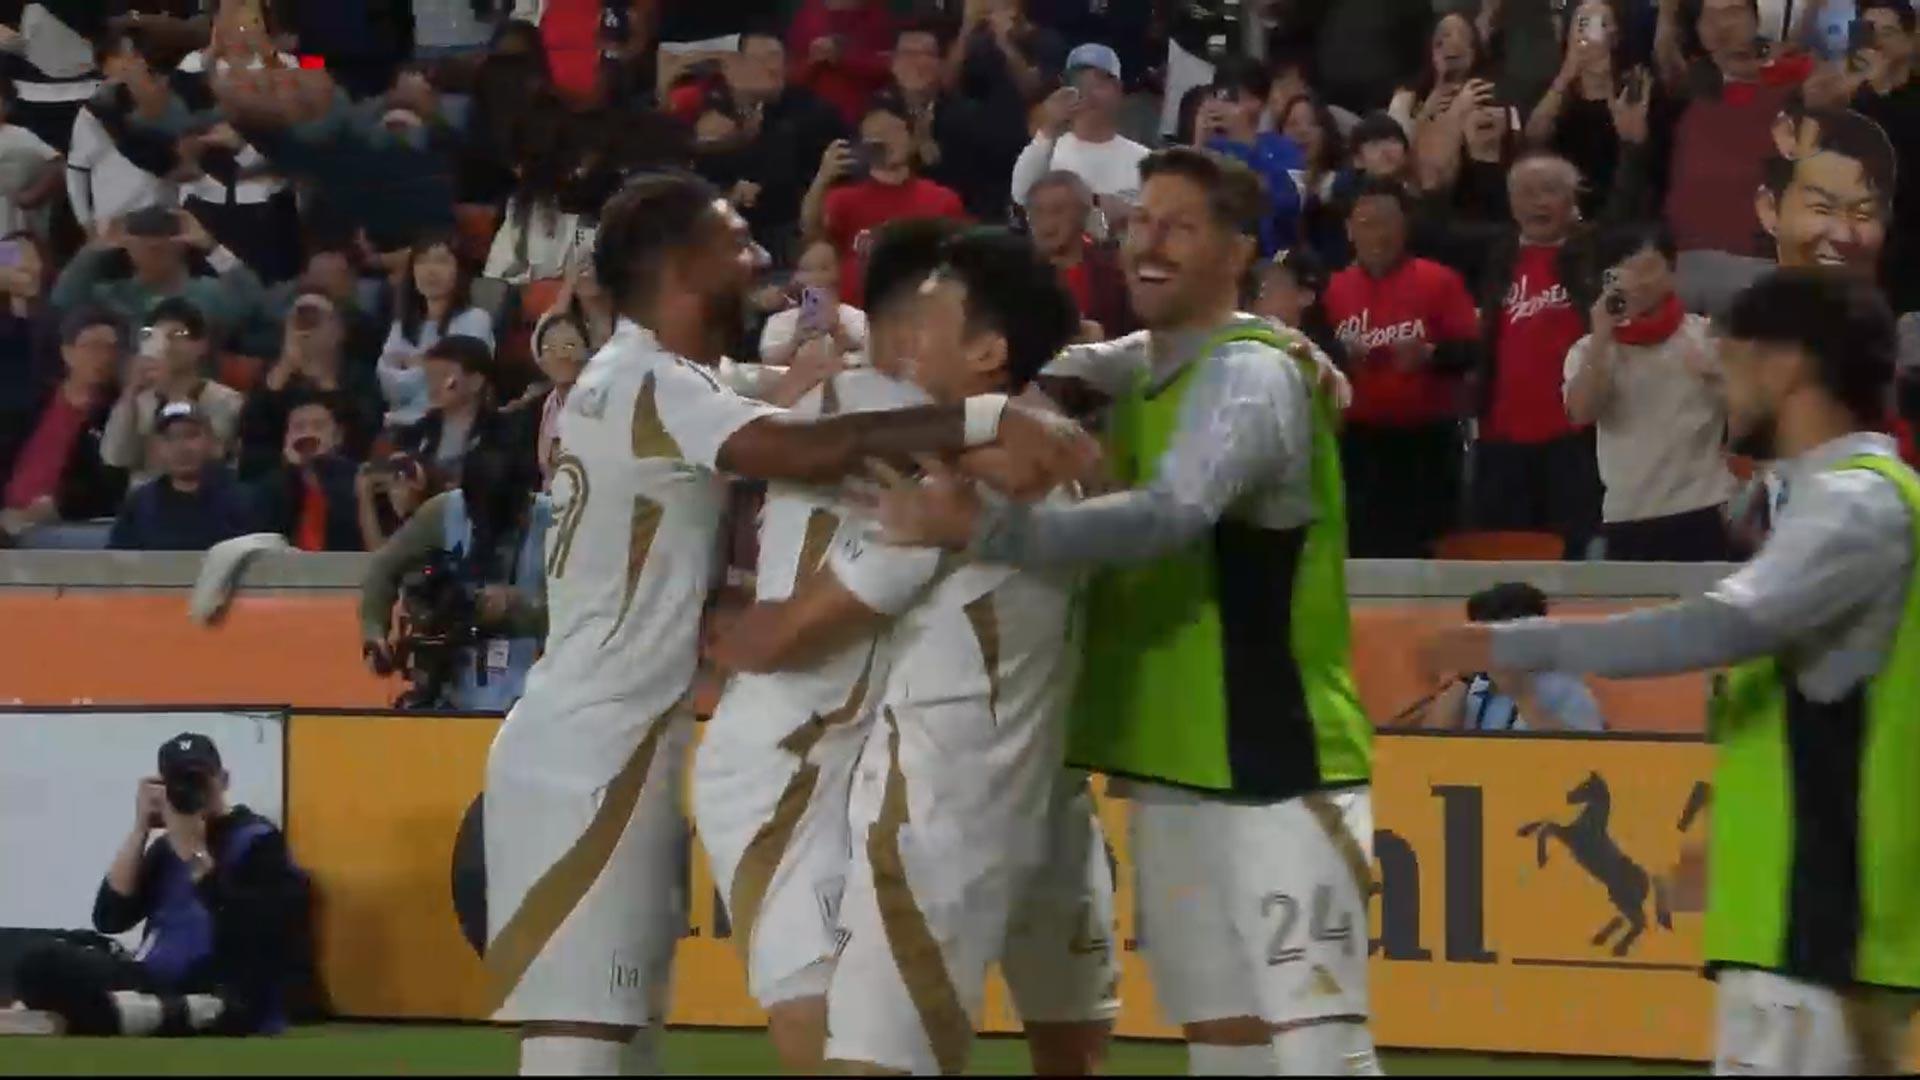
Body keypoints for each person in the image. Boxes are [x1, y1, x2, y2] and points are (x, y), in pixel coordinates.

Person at [478, 169, 1085, 1076]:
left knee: (627, 1043)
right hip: (594, 753)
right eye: (735, 240)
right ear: (682, 266)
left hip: (629, 738)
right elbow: (806, 442)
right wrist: (999, 415)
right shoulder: (653, 383)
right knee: (585, 1049)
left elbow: (800, 399)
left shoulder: (662, 379)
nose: (759, 254)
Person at [852, 147, 1379, 1076]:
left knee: (1320, 1055)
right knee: (1225, 1049)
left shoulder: (1251, 377)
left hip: (1279, 764)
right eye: (1140, 221)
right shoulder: (1145, 365)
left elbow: (1171, 514)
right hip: (1174, 767)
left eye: (1180, 226)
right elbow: (1043, 359)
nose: (1149, 243)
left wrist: (989, 529)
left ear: (1238, 251)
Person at [1421, 268, 1919, 1076]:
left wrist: (1518, 645)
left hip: (1816, 927)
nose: (1721, 388)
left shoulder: (1853, 504)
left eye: (1732, 364)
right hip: (1813, 924)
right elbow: (1809, 710)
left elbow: (1718, 626)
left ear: (1787, 365)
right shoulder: (1843, 501)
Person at [698, 221, 1118, 1077]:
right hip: (803, 767)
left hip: (957, 791)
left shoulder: (960, 461)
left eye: (935, 316)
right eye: (916, 316)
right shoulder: (907, 426)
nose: (902, 339)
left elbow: (779, 632)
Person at [11, 732, 308, 1037]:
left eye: (198, 780)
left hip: (219, 985)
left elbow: (260, 932)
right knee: (39, 962)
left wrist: (194, 855)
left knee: (223, 1004)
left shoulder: (258, 840)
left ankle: (120, 1013)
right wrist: (140, 828)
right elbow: (110, 918)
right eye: (179, 783)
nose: (191, 791)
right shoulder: (166, 847)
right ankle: (124, 1012)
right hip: (150, 977)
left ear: (223, 780)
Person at [1324, 178, 1481, 559]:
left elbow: (1474, 351)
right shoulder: (1333, 290)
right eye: (1367, 224)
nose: (1378, 235)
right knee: (1364, 546)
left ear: (1404, 227)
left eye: (1387, 223)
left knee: (1431, 546)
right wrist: (1341, 354)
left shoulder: (1439, 280)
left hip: (1427, 441)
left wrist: (1431, 354)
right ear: (1349, 230)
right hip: (1359, 442)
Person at [1564, 223, 1738, 561]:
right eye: (1623, 272)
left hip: (1703, 506)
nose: (1637, 282)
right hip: (1627, 514)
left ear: (1671, 273)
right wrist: (1601, 336)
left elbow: (1753, 415)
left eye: (1646, 269)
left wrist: (1715, 376)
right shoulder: (1588, 350)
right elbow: (1581, 412)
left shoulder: (1705, 336)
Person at [360, 442, 548, 712]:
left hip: (534, 687)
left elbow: (586, 606)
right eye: (480, 516)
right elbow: (383, 569)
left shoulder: (555, 521)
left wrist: (521, 606)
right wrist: (374, 633)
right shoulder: (443, 512)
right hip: (452, 680)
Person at [804, 96, 967, 304]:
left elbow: (960, 264)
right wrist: (822, 178)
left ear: (912, 139)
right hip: (855, 313)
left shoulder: (942, 200)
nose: (885, 141)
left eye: (893, 130)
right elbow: (811, 234)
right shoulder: (843, 199)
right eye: (875, 134)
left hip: (919, 309)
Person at [721, 28, 848, 266]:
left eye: (776, 58)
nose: (771, 67)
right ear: (732, 67)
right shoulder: (711, 113)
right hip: (727, 232)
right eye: (760, 60)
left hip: (792, 232)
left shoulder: (814, 113)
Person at [0, 309, 126, 545]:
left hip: (61, 522)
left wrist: (56, 505)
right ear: (67, 353)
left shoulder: (116, 413)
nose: (104, 357)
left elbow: (107, 485)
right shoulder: (31, 403)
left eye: (112, 348)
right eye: (92, 347)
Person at [50, 206, 266, 342]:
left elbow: (255, 305)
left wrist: (212, 247)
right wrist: (96, 249)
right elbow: (62, 302)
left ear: (182, 245)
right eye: (144, 245)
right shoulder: (111, 295)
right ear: (127, 248)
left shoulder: (208, 293)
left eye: (161, 246)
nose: (153, 250)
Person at [235, 288, 383, 481]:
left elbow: (363, 435)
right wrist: (283, 370)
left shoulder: (359, 376)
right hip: (281, 477)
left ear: (339, 330)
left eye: (315, 320)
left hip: (342, 476)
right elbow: (251, 438)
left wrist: (325, 380)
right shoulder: (273, 376)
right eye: (299, 320)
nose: (306, 329)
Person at [1423, 582, 1606, 732]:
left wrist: (1523, 696)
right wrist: (1461, 681)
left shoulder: (1565, 688)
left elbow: (1582, 754)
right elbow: (1432, 741)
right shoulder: (1477, 686)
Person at [887, 19, 1020, 223]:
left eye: (926, 54)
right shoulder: (878, 112)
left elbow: (982, 184)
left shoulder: (969, 118)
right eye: (907, 54)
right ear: (892, 64)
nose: (916, 62)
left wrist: (931, 153)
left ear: (942, 65)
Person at [101, 297, 242, 483]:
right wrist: (131, 390)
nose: (167, 345)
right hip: (145, 496)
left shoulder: (227, 401)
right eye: (158, 337)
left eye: (178, 334)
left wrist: (173, 391)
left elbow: (212, 456)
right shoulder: (138, 402)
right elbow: (115, 457)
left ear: (201, 345)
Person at [1526, 1, 1640, 219]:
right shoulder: (1553, 89)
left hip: (1618, 204)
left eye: (1600, 24)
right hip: (1562, 204)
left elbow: (1636, 150)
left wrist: (1606, 82)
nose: (1590, 34)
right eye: (1582, 24)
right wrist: (1567, 74)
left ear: (1615, 36)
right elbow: (1534, 136)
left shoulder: (1632, 85)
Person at [1011, 43, 1148, 222]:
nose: (1087, 94)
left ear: (1118, 90)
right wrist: (1049, 127)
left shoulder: (1143, 159)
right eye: (1078, 84)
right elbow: (1020, 195)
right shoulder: (1049, 149)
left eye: (1098, 83)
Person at [1192, 57, 1306, 257]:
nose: (1222, 104)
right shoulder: (1208, 148)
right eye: (1217, 95)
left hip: (1268, 259)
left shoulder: (1284, 148)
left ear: (1257, 102)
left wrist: (1243, 141)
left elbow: (1288, 204)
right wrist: (1199, 143)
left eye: (1233, 97)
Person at [1847, 0, 1920, 312]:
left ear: (1910, 40)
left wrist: (1878, 91)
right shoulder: (1851, 99)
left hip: (1908, 244)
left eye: (1887, 33)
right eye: (1869, 33)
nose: (1877, 43)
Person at [378, 234, 495, 427]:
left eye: (441, 261)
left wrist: (413, 364)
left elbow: (455, 384)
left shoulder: (476, 319)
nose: (430, 271)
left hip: (448, 424)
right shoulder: (403, 324)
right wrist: (426, 368)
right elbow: (387, 384)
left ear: (459, 270)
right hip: (398, 422)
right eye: (422, 261)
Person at [107, 401, 254, 550]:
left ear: (211, 441)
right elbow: (118, 559)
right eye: (170, 438)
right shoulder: (139, 504)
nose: (181, 448)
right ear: (157, 448)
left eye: (191, 435)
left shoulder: (241, 500)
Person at [1024, 170, 1134, 339]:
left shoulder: (1117, 272)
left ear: (1083, 213)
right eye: (1038, 211)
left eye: (1058, 211)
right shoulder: (1015, 274)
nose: (1047, 222)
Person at [247, 395, 362, 552]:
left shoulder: (356, 479)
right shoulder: (270, 486)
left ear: (337, 436)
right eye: (298, 427)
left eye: (318, 426)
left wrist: (316, 473)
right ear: (286, 438)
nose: (307, 434)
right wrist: (293, 474)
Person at [758, 239, 868, 367]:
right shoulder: (780, 321)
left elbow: (868, 356)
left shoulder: (855, 317)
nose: (816, 276)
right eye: (806, 269)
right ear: (795, 279)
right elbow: (768, 361)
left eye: (824, 268)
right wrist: (796, 341)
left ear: (839, 275)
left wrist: (838, 331)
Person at [787, 0, 896, 128]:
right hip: (810, 117)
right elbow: (791, 73)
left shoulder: (877, 15)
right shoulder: (809, 14)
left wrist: (842, 56)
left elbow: (888, 65)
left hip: (863, 117)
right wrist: (813, 60)